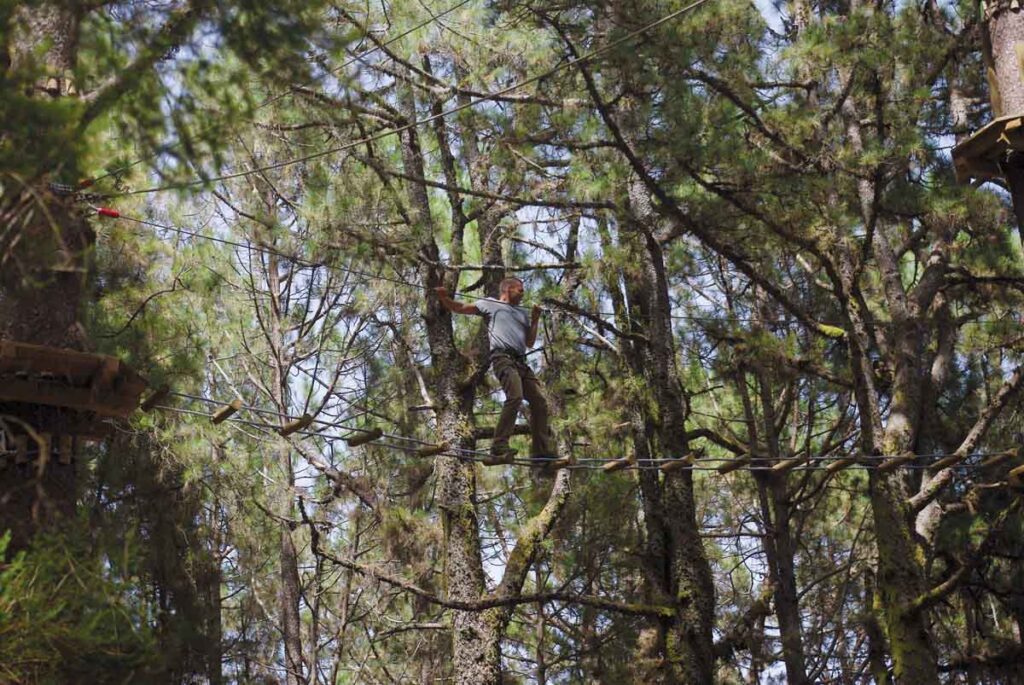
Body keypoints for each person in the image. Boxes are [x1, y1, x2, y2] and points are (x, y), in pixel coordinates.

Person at [433, 277, 558, 463]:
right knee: (515, 396)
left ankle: (541, 452)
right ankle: (499, 445)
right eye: (520, 290)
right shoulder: (490, 304)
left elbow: (530, 342)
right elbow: (460, 308)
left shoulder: (522, 313)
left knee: (539, 402)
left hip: (521, 363)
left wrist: (535, 319)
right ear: (507, 289)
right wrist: (444, 298)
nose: (523, 293)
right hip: (503, 358)